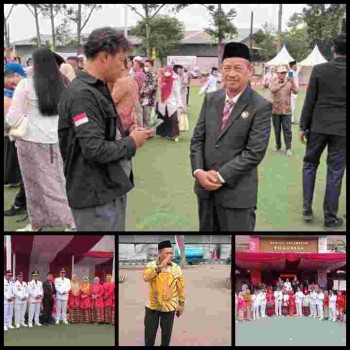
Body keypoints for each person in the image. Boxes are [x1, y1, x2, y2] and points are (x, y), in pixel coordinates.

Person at [58, 27, 152, 231]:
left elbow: (101, 135)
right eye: (121, 61)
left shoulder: (97, 87)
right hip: (95, 195)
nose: (123, 68)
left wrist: (127, 134)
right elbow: (94, 149)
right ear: (104, 57)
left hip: (108, 186)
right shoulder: (82, 94)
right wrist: (132, 142)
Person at [190, 42, 272, 231]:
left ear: (249, 70)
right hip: (205, 191)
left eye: (238, 68)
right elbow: (197, 140)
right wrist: (198, 172)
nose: (231, 74)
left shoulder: (260, 106)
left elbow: (254, 152)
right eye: (227, 68)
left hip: (237, 195)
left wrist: (220, 176)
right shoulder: (211, 99)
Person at [6, 48, 76, 232]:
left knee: (33, 187)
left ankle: (39, 224)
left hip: (30, 141)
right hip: (57, 140)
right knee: (59, 183)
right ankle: (70, 223)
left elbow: (13, 117)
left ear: (34, 64)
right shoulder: (63, 85)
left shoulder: (26, 85)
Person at [299, 33, 346, 228]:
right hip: (342, 129)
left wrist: (303, 126)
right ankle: (330, 217)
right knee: (335, 172)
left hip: (317, 126)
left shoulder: (319, 70)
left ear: (333, 49)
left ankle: (307, 208)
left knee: (310, 164)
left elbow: (310, 100)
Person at [143, 240, 185, 346]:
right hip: (152, 307)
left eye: (171, 253)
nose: (170, 256)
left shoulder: (176, 268)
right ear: (159, 253)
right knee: (149, 336)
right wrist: (161, 266)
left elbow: (180, 286)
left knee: (166, 338)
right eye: (167, 253)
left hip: (169, 308)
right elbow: (146, 277)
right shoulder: (151, 265)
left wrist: (181, 304)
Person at [4, 63, 27, 217]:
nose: (12, 85)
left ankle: (21, 204)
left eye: (13, 80)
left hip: (31, 137)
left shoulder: (26, 88)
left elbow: (12, 116)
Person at [269, 64, 298, 156]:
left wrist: (292, 81)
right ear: (277, 73)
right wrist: (283, 84)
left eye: (284, 73)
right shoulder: (274, 81)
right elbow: (272, 89)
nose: (283, 74)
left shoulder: (289, 81)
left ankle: (288, 148)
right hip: (276, 109)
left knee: (287, 130)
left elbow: (296, 91)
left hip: (286, 110)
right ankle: (278, 145)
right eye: (281, 73)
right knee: (277, 129)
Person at [109, 59, 139, 133]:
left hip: (120, 119)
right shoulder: (133, 80)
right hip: (131, 118)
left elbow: (112, 101)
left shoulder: (122, 82)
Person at [156, 66, 183, 142]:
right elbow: (159, 91)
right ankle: (164, 133)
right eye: (165, 71)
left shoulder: (174, 81)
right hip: (163, 102)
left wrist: (180, 105)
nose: (167, 73)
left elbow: (178, 94)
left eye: (168, 71)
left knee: (173, 119)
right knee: (163, 118)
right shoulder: (161, 80)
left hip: (172, 103)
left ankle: (175, 135)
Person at [140, 59, 158, 127]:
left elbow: (151, 87)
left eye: (147, 66)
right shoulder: (145, 74)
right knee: (144, 116)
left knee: (148, 116)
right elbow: (144, 84)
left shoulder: (153, 76)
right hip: (144, 98)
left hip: (149, 99)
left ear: (152, 66)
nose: (146, 67)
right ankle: (145, 130)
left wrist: (142, 91)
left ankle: (149, 132)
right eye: (145, 66)